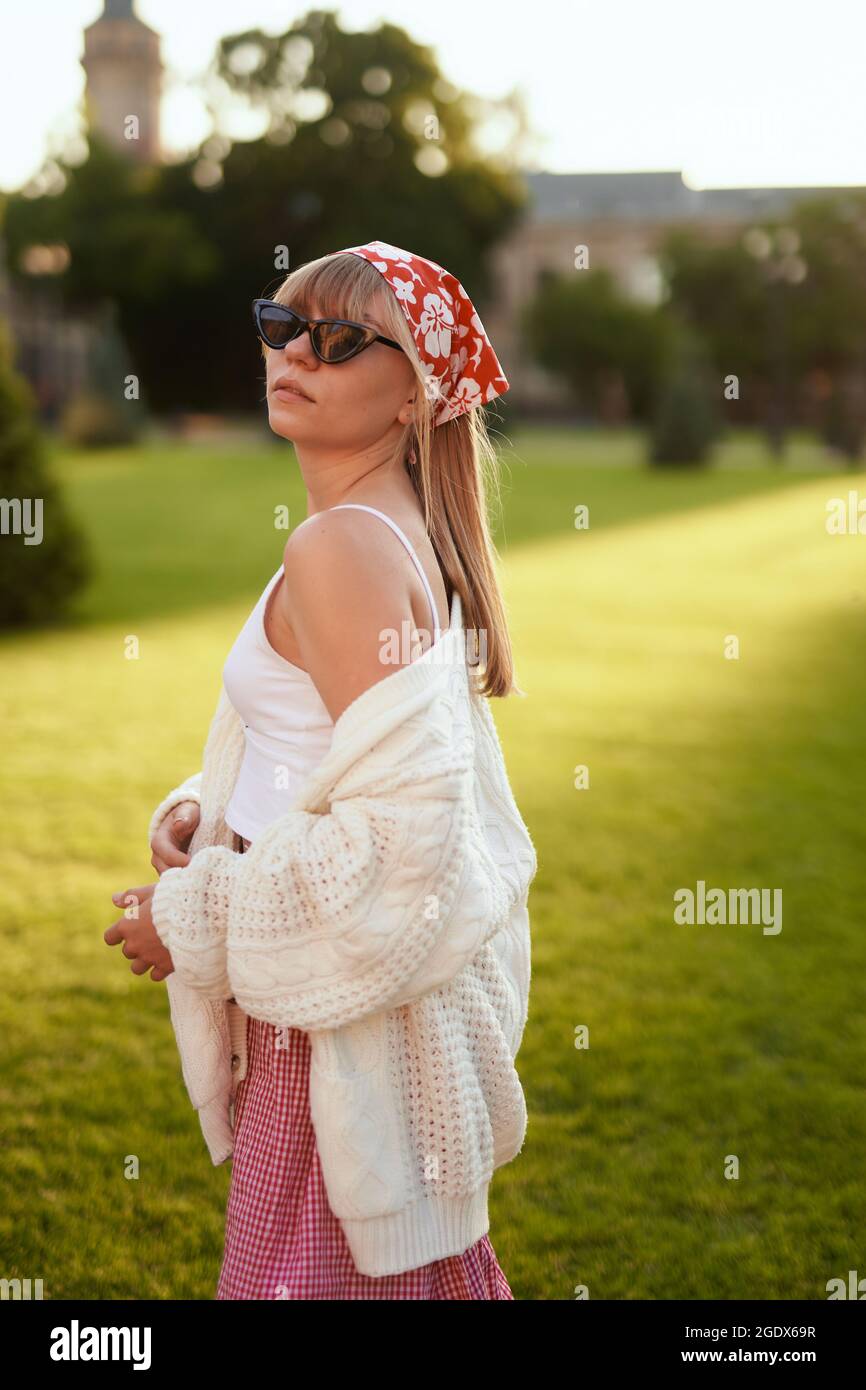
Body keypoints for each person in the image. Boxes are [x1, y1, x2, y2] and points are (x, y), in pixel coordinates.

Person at [106, 240, 534, 1300]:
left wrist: (193, 918)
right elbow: (343, 761)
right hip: (332, 1001)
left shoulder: (339, 549)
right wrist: (212, 815)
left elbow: (394, 854)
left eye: (342, 340)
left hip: (329, 1027)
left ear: (411, 399)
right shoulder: (387, 531)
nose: (296, 352)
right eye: (279, 324)